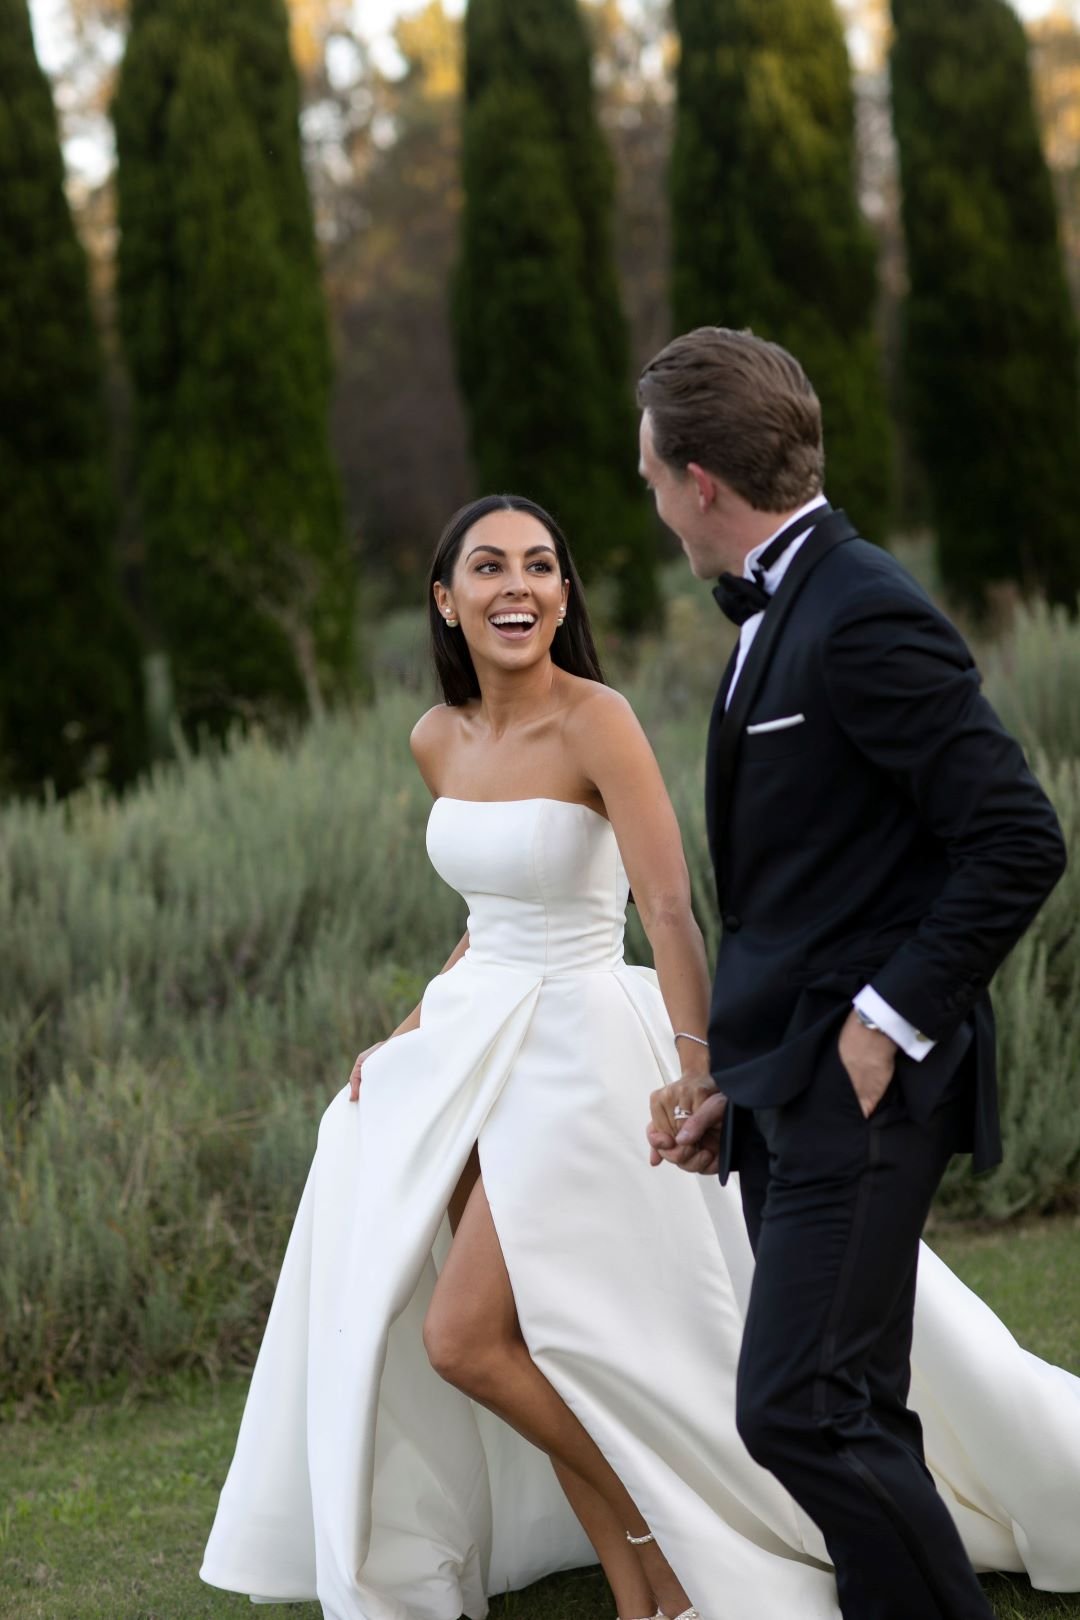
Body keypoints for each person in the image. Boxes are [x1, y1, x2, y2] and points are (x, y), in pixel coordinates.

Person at [201, 493, 1080, 1620]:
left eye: (540, 566)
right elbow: (491, 908)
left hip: (580, 1054)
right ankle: (644, 1582)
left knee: (465, 1336)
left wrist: (696, 1062)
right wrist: (417, 1023)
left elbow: (666, 909)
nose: (517, 586)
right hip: (477, 1045)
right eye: (488, 567)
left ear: (565, 595)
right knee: (516, 1333)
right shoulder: (435, 737)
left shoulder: (597, 719)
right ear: (445, 599)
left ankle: (656, 1544)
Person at [640, 327, 1070, 1620]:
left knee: (798, 1408)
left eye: (652, 473)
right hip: (799, 1085)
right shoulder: (787, 608)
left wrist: (881, 1027)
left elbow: (1015, 836)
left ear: (701, 479)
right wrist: (747, 1080)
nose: (650, 499)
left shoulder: (861, 604)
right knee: (853, 1402)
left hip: (866, 1088)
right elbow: (811, 893)